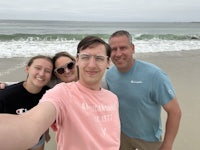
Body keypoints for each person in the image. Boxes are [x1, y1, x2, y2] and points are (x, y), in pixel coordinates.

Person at [0, 36, 121, 150]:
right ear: (78, 60)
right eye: (85, 57)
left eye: (99, 58)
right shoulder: (61, 92)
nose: (92, 64)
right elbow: (30, 125)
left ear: (108, 62)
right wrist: (5, 86)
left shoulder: (112, 96)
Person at [105, 30, 182, 150]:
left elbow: (175, 112)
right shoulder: (109, 75)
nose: (118, 53)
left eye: (123, 48)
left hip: (149, 140)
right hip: (121, 136)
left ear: (132, 48)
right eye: (114, 49)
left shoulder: (154, 75)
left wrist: (167, 145)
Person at [0, 55, 53, 150]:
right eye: (37, 68)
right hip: (13, 142)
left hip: (38, 139)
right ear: (27, 68)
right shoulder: (5, 95)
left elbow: (45, 116)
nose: (41, 74)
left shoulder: (50, 94)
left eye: (47, 71)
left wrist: (46, 132)